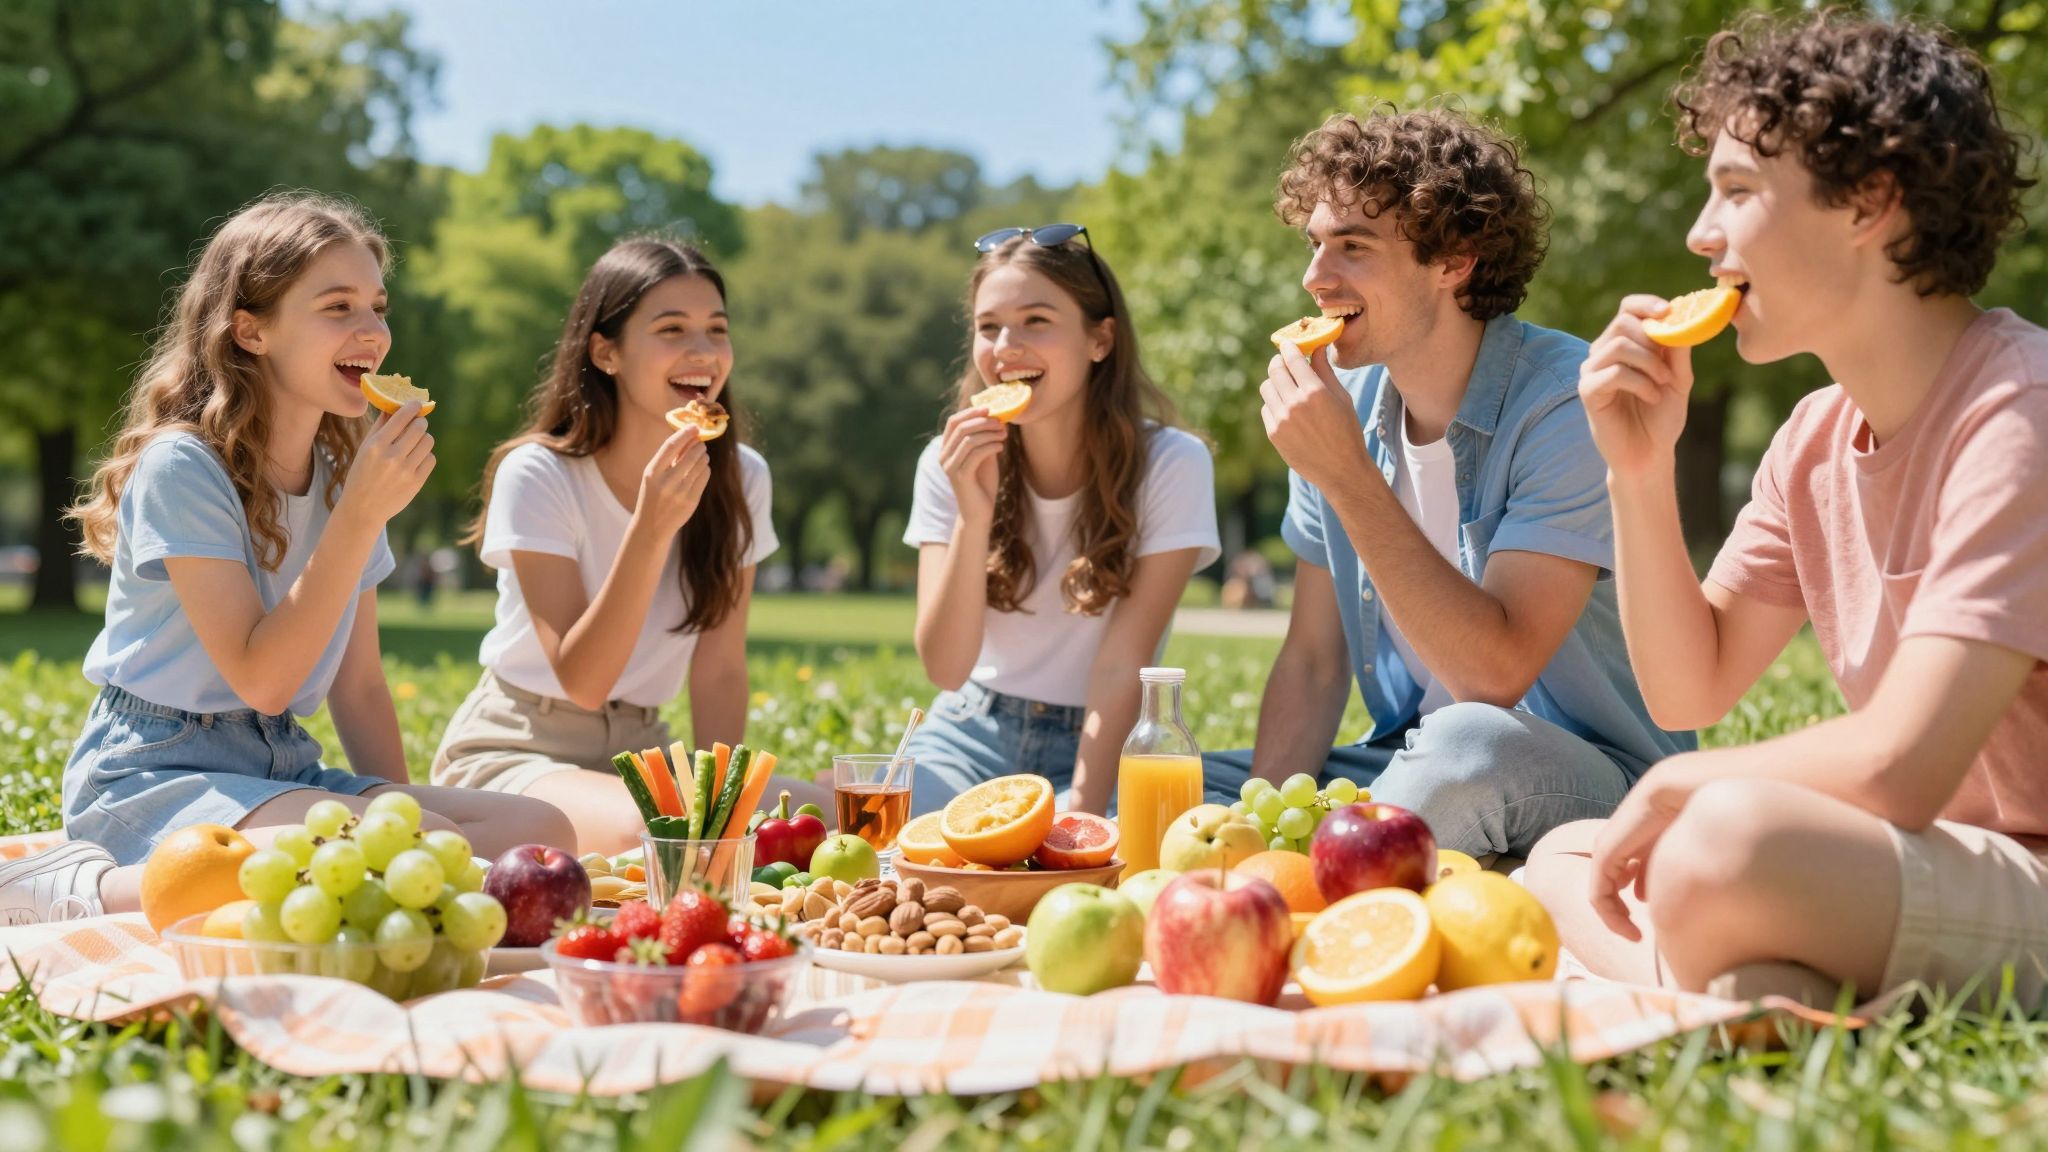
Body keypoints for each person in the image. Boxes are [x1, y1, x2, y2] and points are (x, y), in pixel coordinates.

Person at [1523, 11, 2048, 1008]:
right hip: (1918, 857)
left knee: (1715, 841)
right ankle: (1753, 993)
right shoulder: (1811, 437)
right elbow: (1686, 692)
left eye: (1734, 193)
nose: (1698, 235)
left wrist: (1686, 784)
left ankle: (1719, 985)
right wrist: (1637, 472)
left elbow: (1899, 764)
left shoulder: (2018, 409)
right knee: (1567, 853)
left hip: (2026, 866)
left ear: (1866, 203)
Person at [0, 192, 572, 924]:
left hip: (282, 764)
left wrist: (409, 834)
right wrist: (362, 514)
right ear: (251, 330)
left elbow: (359, 686)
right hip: (154, 766)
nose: (374, 332)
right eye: (338, 307)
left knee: (541, 830)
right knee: (413, 850)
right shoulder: (184, 467)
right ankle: (72, 891)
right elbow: (263, 679)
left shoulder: (344, 476)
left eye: (377, 305)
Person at [1203, 107, 1693, 859]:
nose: (1313, 277)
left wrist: (1346, 476)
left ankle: (1359, 880)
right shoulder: (1344, 405)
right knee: (1170, 789)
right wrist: (1253, 837)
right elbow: (1312, 662)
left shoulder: (1567, 401)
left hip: (1591, 776)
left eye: (1352, 248)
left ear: (1454, 261)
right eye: (1315, 245)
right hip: (1410, 759)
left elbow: (1494, 674)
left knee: (1465, 750)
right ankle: (1338, 870)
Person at [431, 237, 814, 855]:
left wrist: (728, 806)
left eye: (717, 330)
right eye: (672, 330)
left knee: (819, 818)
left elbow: (719, 668)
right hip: (520, 746)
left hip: (644, 754)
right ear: (606, 352)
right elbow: (583, 679)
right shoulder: (537, 474)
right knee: (654, 837)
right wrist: (650, 527)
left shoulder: (743, 476)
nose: (704, 353)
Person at [902, 225, 1220, 816]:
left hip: (1105, 740)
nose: (1005, 346)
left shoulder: (1172, 463)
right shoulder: (948, 462)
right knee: (873, 829)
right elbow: (945, 668)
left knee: (1166, 841)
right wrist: (974, 515)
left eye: (1036, 321)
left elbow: (1125, 663)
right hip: (970, 732)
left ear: (1100, 340)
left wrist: (1083, 815)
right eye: (988, 325)